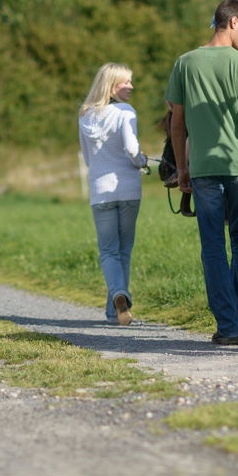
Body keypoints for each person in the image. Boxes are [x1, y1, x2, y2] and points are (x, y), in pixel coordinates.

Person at [165, 0, 238, 346]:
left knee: (212, 245)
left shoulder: (184, 63)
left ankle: (227, 327)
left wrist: (183, 167)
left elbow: (177, 124)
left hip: (203, 169)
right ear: (233, 22)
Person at [78, 62, 149, 325]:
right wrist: (142, 162)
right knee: (124, 250)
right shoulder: (125, 111)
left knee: (108, 251)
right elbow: (132, 149)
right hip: (128, 189)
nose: (131, 86)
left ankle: (115, 306)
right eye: (125, 82)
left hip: (100, 191)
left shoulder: (85, 114)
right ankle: (119, 300)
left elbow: (87, 158)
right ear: (111, 86)